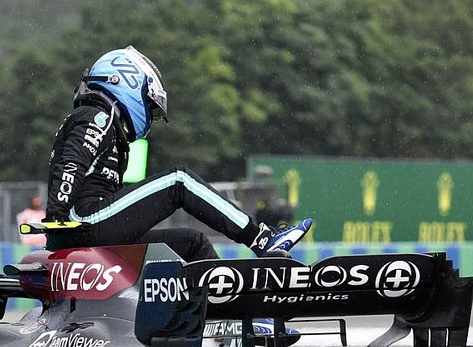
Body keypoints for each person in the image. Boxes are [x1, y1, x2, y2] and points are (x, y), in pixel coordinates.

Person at [43, 46, 311, 261]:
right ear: (127, 83)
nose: (150, 117)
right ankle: (261, 238)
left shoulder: (101, 121)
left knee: (193, 243)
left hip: (88, 226)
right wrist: (56, 215)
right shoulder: (97, 116)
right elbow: (72, 165)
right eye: (150, 106)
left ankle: (227, 312)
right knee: (179, 181)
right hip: (84, 220)